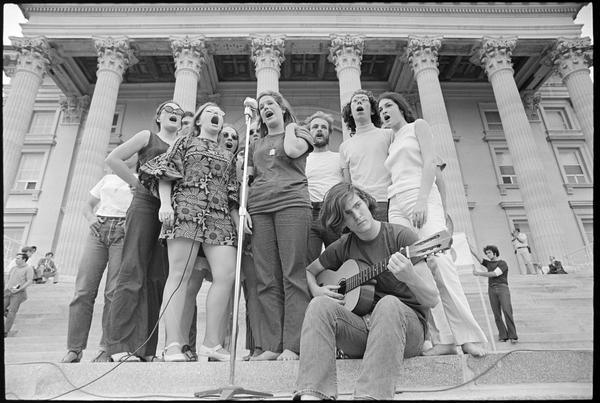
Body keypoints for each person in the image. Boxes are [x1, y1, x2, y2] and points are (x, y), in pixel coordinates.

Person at [293, 182, 440, 400]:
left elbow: (432, 299)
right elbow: (309, 271)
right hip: (363, 331)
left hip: (406, 332)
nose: (357, 215)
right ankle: (313, 395)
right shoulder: (344, 245)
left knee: (388, 303)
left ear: (366, 202)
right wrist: (317, 290)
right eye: (348, 214)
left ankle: (369, 397)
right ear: (342, 222)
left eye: (358, 205)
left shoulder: (401, 237)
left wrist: (410, 277)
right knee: (318, 305)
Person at [378, 91, 487, 357]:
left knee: (440, 262)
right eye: (380, 109)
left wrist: (423, 200)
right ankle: (443, 340)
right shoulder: (391, 140)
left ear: (400, 107)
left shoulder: (418, 126)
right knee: (417, 271)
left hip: (421, 195)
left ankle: (469, 337)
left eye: (388, 105)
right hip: (396, 203)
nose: (383, 111)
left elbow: (430, 163)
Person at [139, 102, 239, 362]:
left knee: (226, 275)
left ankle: (212, 343)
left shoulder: (228, 154)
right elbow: (165, 173)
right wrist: (165, 204)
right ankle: (172, 345)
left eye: (220, 113)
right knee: (179, 275)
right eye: (210, 112)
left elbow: (232, 193)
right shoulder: (185, 142)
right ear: (199, 120)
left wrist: (239, 220)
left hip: (219, 215)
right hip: (187, 208)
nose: (216, 115)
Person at [104, 100, 184, 362]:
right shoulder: (147, 136)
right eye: (168, 110)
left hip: (172, 210)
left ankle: (147, 349)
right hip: (144, 204)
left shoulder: (183, 143)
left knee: (157, 276)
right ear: (158, 116)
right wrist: (136, 183)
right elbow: (113, 159)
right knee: (132, 269)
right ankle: (120, 345)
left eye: (179, 112)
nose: (174, 114)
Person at [244, 90, 314, 361]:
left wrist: (290, 127)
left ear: (282, 108)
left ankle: (293, 345)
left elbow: (293, 151)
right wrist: (244, 209)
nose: (265, 108)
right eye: (261, 107)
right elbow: (248, 179)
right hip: (260, 208)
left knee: (292, 273)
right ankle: (272, 345)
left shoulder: (299, 133)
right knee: (266, 277)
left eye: (270, 104)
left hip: (292, 203)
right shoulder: (256, 144)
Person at [61, 163, 136, 363]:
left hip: (123, 231)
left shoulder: (139, 179)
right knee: (83, 290)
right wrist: (90, 218)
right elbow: (87, 205)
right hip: (98, 229)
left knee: (113, 292)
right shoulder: (107, 178)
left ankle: (106, 348)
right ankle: (74, 349)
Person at [339, 89, 393, 222]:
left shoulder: (389, 135)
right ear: (350, 113)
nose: (359, 102)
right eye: (355, 101)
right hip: (361, 206)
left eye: (364, 100)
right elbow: (347, 183)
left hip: (387, 201)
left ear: (373, 111)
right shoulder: (345, 146)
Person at [304, 111, 343, 264]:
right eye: (315, 127)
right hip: (310, 213)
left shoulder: (339, 157)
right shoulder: (302, 159)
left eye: (323, 127)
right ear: (309, 132)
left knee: (340, 262)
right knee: (309, 263)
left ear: (329, 132)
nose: (319, 129)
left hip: (334, 212)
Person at [471, 244, 518, 344]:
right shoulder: (488, 263)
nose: (487, 255)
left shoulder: (502, 263)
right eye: (486, 253)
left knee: (507, 310)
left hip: (502, 288)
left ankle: (513, 336)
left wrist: (479, 273)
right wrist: (468, 244)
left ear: (495, 253)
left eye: (489, 252)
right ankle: (503, 335)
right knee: (496, 313)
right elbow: (477, 256)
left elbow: (494, 274)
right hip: (491, 289)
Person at [4, 253, 34, 337]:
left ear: (24, 259)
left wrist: (19, 289)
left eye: (18, 258)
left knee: (12, 312)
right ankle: (8, 315)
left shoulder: (28, 268)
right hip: (8, 291)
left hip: (18, 293)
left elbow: (29, 281)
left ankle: (6, 330)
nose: (16, 260)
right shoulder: (14, 268)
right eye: (16, 258)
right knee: (8, 311)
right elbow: (9, 278)